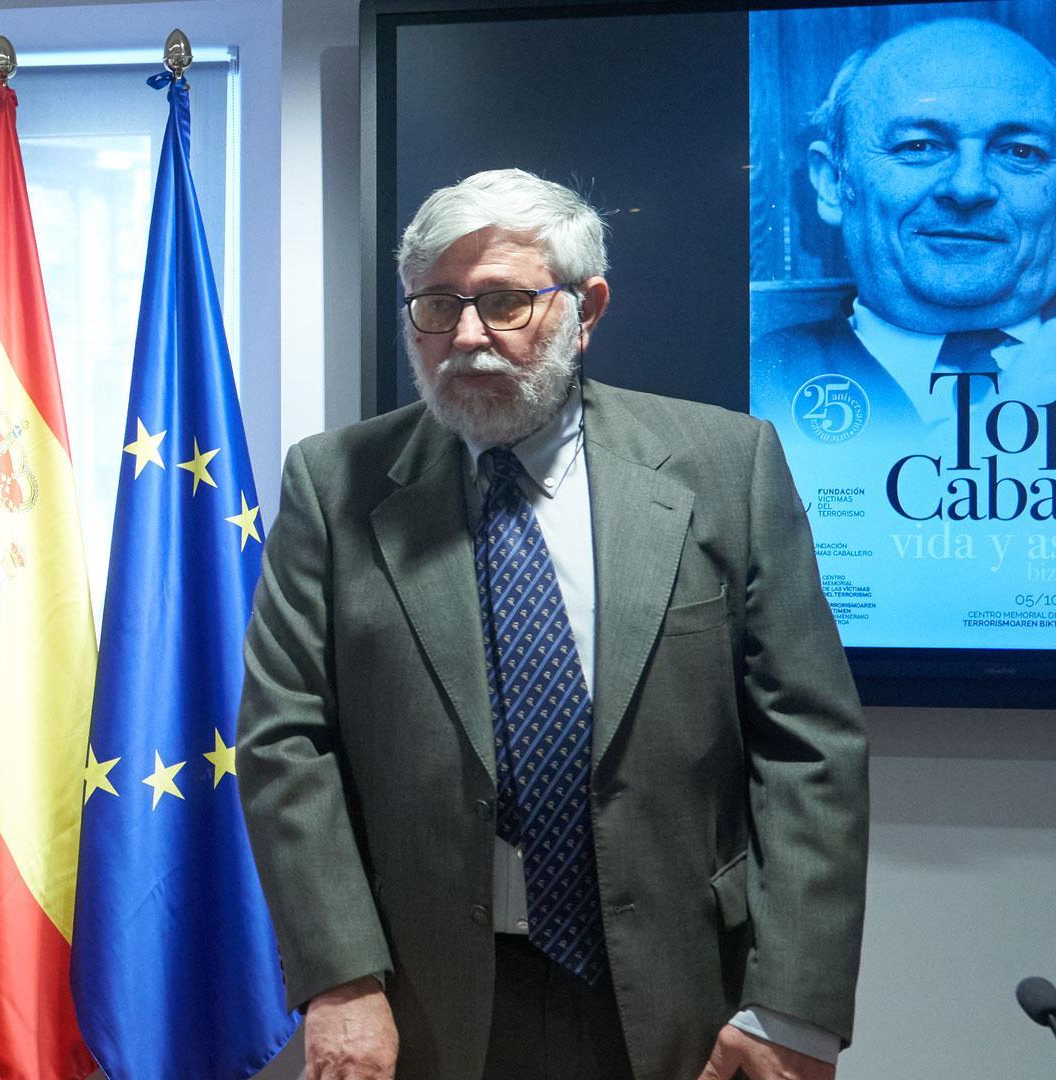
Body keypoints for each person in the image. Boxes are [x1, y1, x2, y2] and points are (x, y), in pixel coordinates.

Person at [238, 169, 869, 1080]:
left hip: (684, 991)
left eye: (504, 303)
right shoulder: (334, 484)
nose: (465, 337)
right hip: (426, 1000)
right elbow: (284, 741)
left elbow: (811, 747)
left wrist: (792, 1008)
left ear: (587, 308)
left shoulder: (727, 466)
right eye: (436, 305)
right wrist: (339, 980)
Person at [753, 18, 1056, 439]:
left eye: (1020, 152)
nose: (968, 187)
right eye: (918, 146)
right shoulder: (756, 384)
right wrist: (998, 434)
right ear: (833, 182)